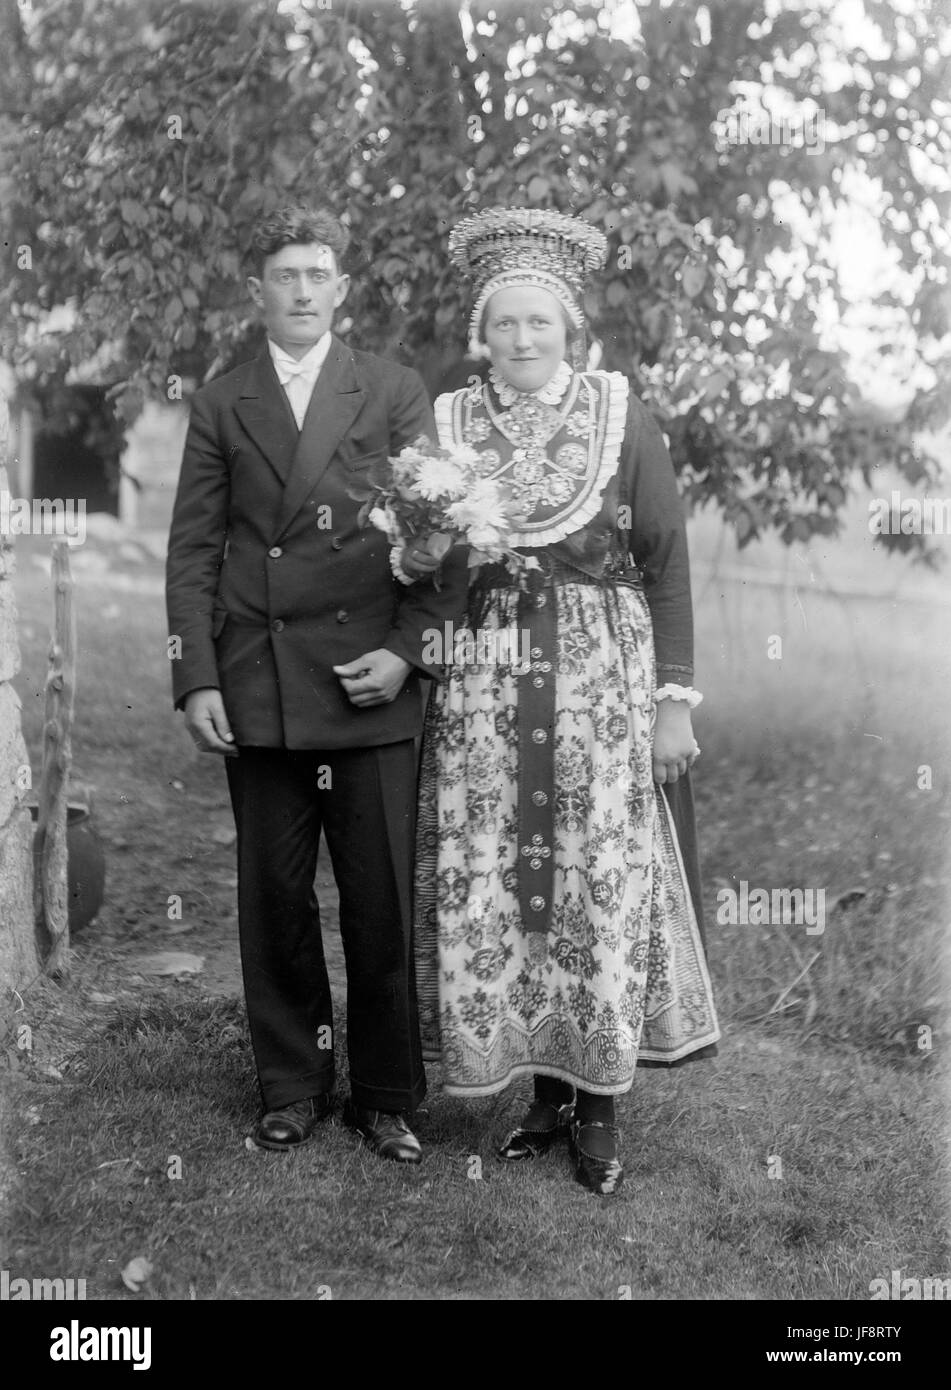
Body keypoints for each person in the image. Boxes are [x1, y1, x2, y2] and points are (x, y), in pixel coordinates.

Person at [408, 207, 720, 1195]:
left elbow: (666, 566)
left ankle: (601, 1104)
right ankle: (540, 1094)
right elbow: (429, 566)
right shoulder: (449, 425)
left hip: (600, 683)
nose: (523, 340)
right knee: (507, 875)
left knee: (595, 875)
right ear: (481, 331)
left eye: (540, 323)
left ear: (570, 328)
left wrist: (674, 703)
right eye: (505, 323)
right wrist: (418, 548)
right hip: (491, 689)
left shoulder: (620, 415)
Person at [165, 205, 467, 1164]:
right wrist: (194, 681)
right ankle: (292, 1083)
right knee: (276, 896)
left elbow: (442, 534)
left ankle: (384, 1092)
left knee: (379, 900)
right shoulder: (221, 403)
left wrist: (411, 653)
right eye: (284, 276)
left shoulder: (391, 389)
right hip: (262, 685)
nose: (302, 291)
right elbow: (193, 554)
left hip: (368, 682)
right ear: (257, 293)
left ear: (341, 290)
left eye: (317, 275)